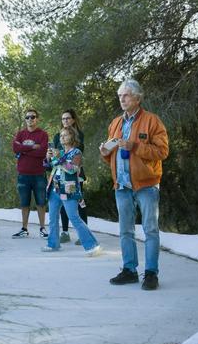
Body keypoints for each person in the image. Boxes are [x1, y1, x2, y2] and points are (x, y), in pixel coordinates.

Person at [100, 79, 169, 290]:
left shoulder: (152, 121)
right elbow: (113, 154)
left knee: (150, 230)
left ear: (137, 98)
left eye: (126, 95)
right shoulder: (115, 123)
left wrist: (135, 146)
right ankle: (129, 270)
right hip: (121, 185)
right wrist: (105, 152)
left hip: (146, 185)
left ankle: (150, 274)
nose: (122, 99)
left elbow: (162, 152)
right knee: (125, 231)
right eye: (120, 95)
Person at [42, 127, 101, 256]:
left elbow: (72, 169)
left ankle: (92, 245)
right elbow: (48, 167)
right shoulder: (60, 152)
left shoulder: (76, 152)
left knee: (74, 218)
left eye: (65, 135)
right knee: (52, 218)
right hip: (54, 188)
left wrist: (60, 157)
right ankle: (53, 244)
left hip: (69, 189)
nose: (62, 137)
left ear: (72, 137)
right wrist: (48, 158)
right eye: (61, 135)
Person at [11, 109, 49, 239]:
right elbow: (15, 148)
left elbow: (43, 152)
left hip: (39, 174)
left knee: (41, 203)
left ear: (37, 119)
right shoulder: (20, 134)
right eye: (27, 117)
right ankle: (24, 229)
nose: (30, 119)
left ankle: (42, 229)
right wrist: (33, 147)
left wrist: (24, 150)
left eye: (33, 117)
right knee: (24, 203)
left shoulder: (43, 135)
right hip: (23, 175)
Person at [52, 109, 88, 245]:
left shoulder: (79, 136)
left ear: (73, 120)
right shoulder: (57, 136)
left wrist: (61, 158)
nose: (65, 121)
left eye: (68, 118)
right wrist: (51, 156)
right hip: (60, 176)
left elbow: (75, 158)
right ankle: (65, 232)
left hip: (75, 176)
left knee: (78, 202)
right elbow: (57, 155)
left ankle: (83, 233)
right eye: (63, 119)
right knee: (63, 203)